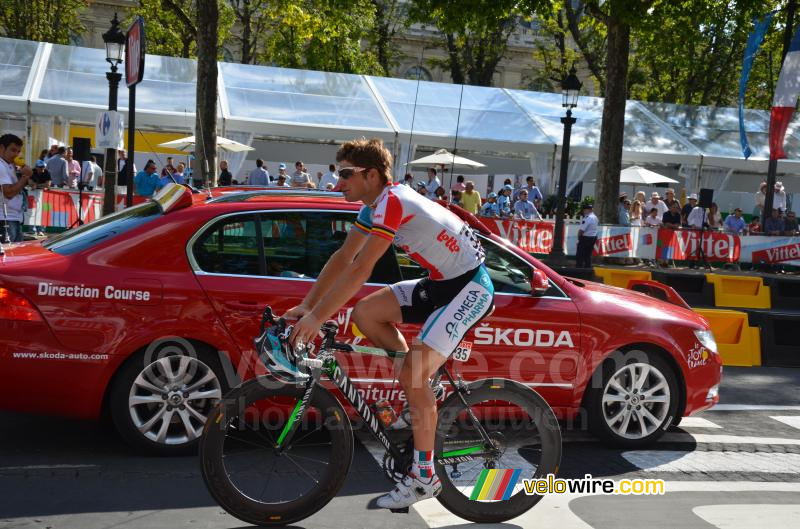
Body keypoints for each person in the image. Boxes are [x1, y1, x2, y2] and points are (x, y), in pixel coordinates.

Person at [285, 138, 493, 510]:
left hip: (471, 286)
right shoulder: (375, 205)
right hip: (443, 282)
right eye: (338, 173)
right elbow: (344, 256)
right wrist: (308, 305)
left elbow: (362, 268)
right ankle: (420, 393)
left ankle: (424, 477)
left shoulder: (393, 201)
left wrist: (320, 319)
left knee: (413, 374)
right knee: (366, 314)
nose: (339, 182)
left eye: (346, 174)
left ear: (372, 175)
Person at [0, 134, 33, 243]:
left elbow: (32, 184)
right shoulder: (1, 165)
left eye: (18, 151)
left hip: (13, 218)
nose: (16, 155)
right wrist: (25, 177)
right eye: (13, 150)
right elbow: (8, 193)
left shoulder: (9, 165)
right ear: (1, 148)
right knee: (8, 256)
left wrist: (25, 174)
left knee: (14, 256)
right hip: (5, 219)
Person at [576, 203, 598, 268]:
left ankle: (579, 267)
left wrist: (579, 237)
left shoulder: (588, 218)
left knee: (580, 253)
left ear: (588, 210)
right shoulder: (595, 217)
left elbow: (582, 230)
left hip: (586, 238)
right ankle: (588, 267)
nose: (584, 211)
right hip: (593, 237)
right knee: (588, 254)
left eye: (585, 210)